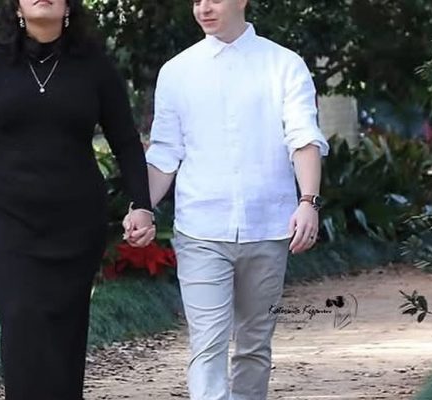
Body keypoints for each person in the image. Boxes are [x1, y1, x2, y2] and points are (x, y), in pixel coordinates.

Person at [0, 1, 155, 399]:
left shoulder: (94, 65)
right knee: (22, 318)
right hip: (6, 219)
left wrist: (141, 204)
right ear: (16, 6)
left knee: (65, 326)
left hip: (77, 221)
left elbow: (125, 139)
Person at [125, 0, 329, 398]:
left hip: (268, 227)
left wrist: (308, 201)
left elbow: (303, 136)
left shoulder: (284, 64)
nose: (203, 8)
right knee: (208, 345)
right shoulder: (177, 71)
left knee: (254, 345)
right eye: (196, 1)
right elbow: (165, 152)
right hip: (200, 229)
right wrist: (142, 207)